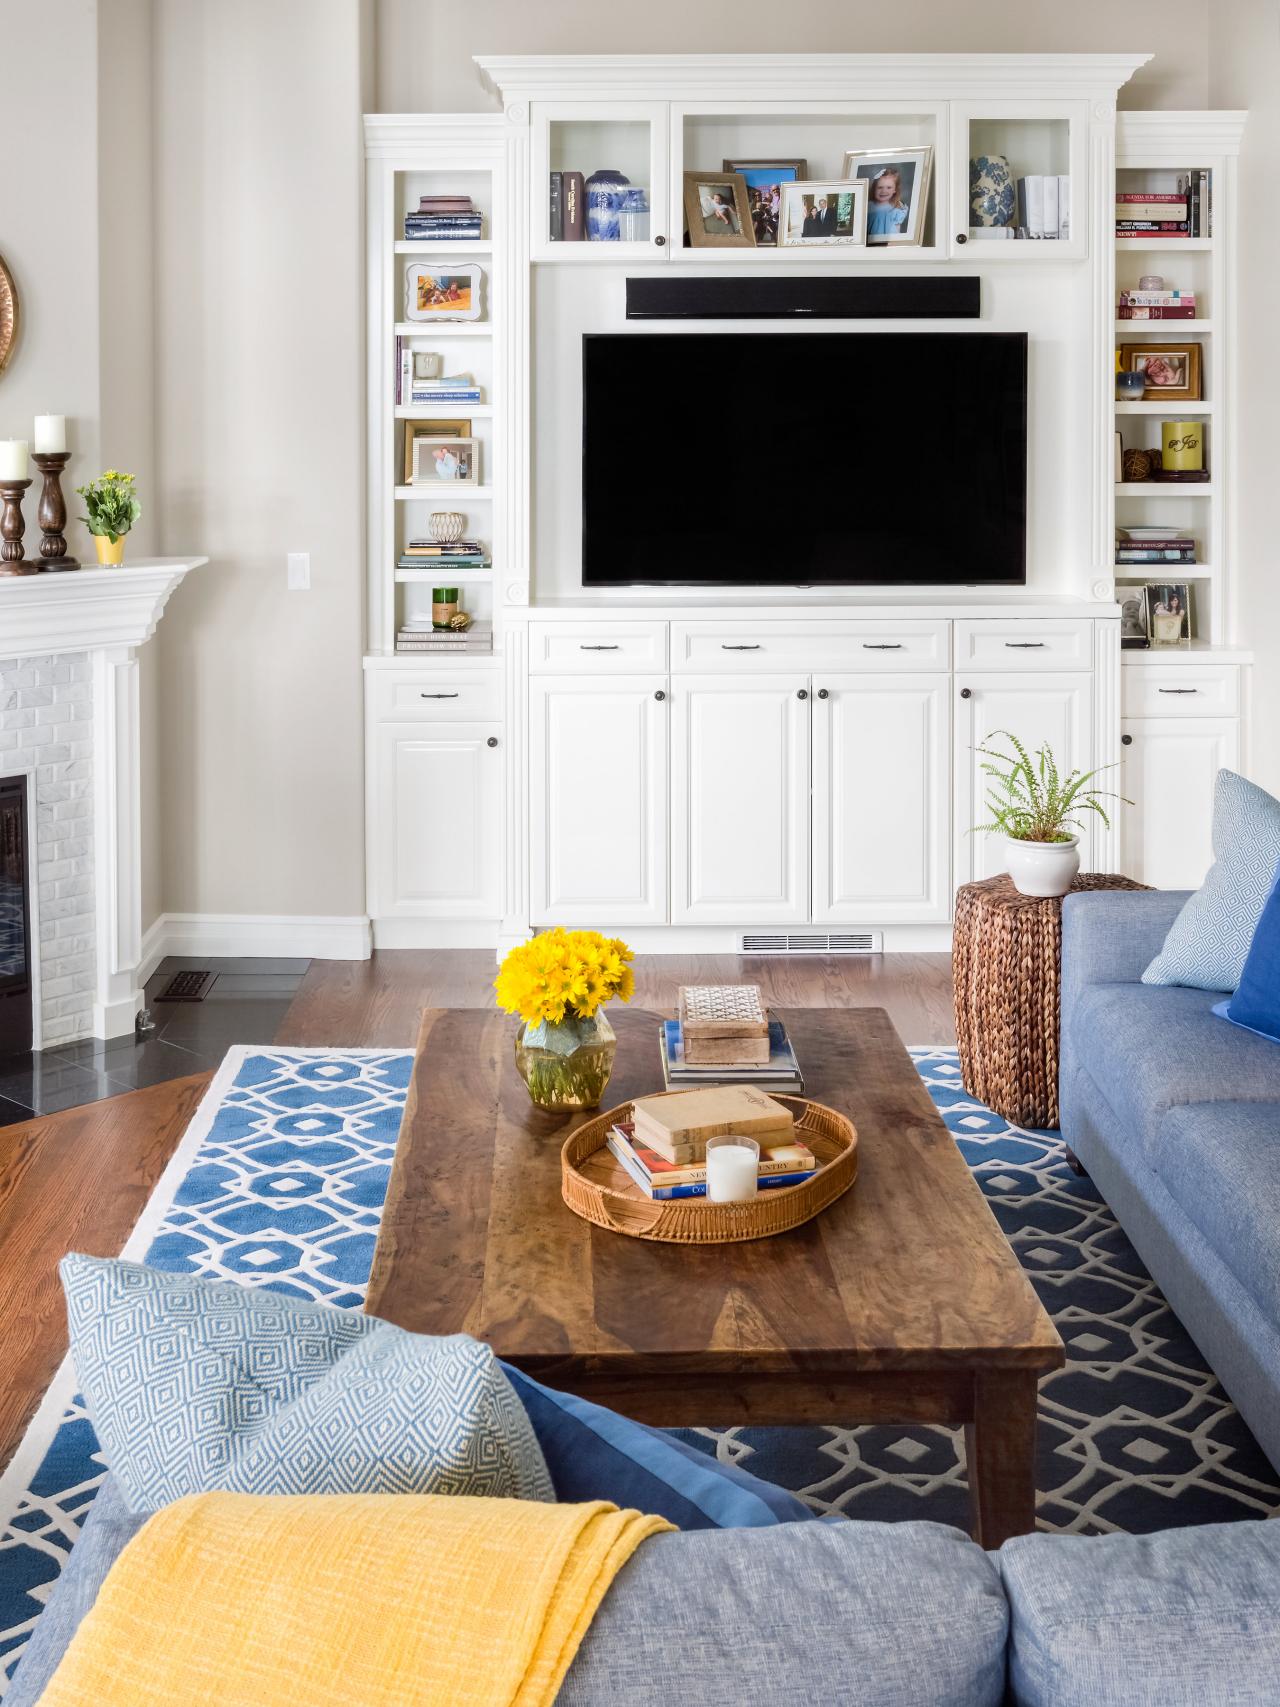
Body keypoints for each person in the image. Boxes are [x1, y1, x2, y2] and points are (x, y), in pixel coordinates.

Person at [866, 166, 910, 240]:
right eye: (880, 187)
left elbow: (897, 230)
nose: (884, 191)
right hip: (871, 244)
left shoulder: (896, 208)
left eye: (889, 187)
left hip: (889, 244)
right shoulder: (868, 206)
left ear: (895, 190)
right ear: (874, 189)